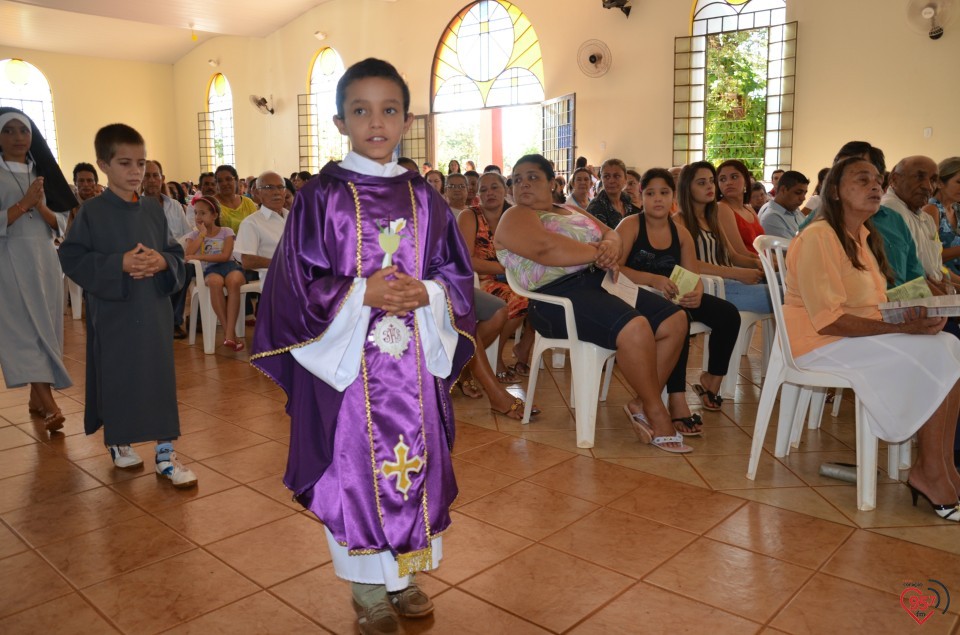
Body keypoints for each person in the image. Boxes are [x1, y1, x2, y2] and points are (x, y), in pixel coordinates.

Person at [250, 58, 475, 635]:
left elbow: (456, 274)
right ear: (341, 120)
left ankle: (406, 576)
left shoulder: (426, 198)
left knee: (413, 465)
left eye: (390, 109)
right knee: (354, 469)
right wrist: (359, 292)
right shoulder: (320, 196)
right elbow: (293, 282)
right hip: (349, 367)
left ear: (406, 119)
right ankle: (367, 587)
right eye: (361, 110)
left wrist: (426, 293)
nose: (377, 121)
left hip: (415, 359)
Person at [785, 156, 960, 521]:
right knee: (938, 353)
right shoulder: (819, 236)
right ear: (834, 191)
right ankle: (929, 472)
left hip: (855, 338)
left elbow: (872, 306)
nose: (875, 187)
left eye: (877, 180)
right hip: (820, 345)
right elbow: (829, 320)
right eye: (862, 180)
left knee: (949, 343)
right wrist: (901, 329)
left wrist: (913, 316)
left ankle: (942, 466)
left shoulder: (864, 236)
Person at [495, 154, 692, 454]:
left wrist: (611, 246)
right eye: (517, 179)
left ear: (552, 183)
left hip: (600, 283)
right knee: (635, 328)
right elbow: (544, 249)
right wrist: (599, 254)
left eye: (532, 177)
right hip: (557, 298)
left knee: (675, 320)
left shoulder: (569, 210)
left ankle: (640, 401)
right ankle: (656, 412)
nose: (523, 184)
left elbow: (610, 233)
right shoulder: (516, 216)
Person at [59, 123, 195, 487]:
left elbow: (174, 252)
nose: (136, 172)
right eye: (125, 163)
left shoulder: (153, 210)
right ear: (103, 164)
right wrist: (117, 264)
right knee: (119, 375)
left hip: (152, 308)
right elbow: (72, 258)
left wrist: (163, 262)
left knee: (159, 377)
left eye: (141, 163)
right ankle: (119, 440)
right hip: (114, 310)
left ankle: (165, 453)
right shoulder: (91, 212)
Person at [617, 168, 741, 430]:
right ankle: (676, 398)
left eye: (664, 193)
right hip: (635, 300)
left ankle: (711, 381)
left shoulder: (681, 233)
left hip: (672, 297)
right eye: (650, 193)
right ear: (641, 196)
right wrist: (652, 279)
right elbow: (615, 269)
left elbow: (692, 273)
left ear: (673, 196)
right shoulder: (630, 226)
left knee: (728, 314)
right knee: (679, 319)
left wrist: (695, 291)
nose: (658, 199)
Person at [0, 107, 75, 430]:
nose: (18, 137)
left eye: (24, 130)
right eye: (10, 131)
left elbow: (59, 223)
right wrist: (23, 204)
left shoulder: (41, 173)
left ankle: (36, 398)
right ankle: (50, 404)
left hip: (44, 260)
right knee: (22, 332)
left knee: (46, 329)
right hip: (9, 260)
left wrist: (40, 205)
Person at [457, 171, 535, 382]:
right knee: (520, 301)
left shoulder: (514, 215)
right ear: (477, 195)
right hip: (481, 280)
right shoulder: (469, 216)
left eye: (495, 188)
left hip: (514, 278)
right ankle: (494, 360)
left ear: (505, 191)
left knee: (540, 300)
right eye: (484, 189)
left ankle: (517, 351)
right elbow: (466, 260)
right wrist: (502, 269)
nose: (489, 193)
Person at [674, 161, 771, 313]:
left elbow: (733, 256)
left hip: (729, 281)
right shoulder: (678, 221)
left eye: (712, 181)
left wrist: (762, 264)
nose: (709, 186)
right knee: (786, 295)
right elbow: (688, 264)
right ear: (687, 188)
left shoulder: (712, 218)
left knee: (791, 284)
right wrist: (739, 273)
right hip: (708, 287)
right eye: (701, 183)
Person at [883, 155, 960, 292]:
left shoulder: (925, 217)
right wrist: (943, 298)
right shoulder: (889, 211)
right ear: (894, 179)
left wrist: (950, 289)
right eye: (919, 177)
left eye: (932, 180)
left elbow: (937, 268)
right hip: (914, 302)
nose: (928, 186)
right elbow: (899, 278)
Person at [184, 196, 246, 351]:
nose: (198, 217)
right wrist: (202, 235)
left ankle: (229, 332)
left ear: (215, 215)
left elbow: (225, 256)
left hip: (229, 266)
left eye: (203, 213)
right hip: (210, 270)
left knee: (234, 281)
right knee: (215, 283)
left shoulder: (226, 232)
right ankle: (229, 333)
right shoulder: (194, 235)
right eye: (196, 213)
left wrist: (199, 256)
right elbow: (187, 254)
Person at [235, 171, 288, 284]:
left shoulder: (294, 217)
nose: (276, 192)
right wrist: (282, 264)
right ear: (258, 193)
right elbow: (247, 260)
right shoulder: (251, 223)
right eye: (269, 188)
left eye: (280, 187)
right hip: (276, 280)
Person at [716, 159, 764, 260]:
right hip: (747, 267)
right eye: (722, 179)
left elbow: (764, 249)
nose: (728, 183)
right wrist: (775, 265)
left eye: (734, 177)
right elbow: (740, 252)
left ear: (746, 182)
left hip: (763, 262)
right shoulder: (722, 208)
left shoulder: (749, 209)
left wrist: (782, 262)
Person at [923, 157, 960, 276]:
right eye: (959, 182)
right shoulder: (931, 210)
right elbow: (930, 257)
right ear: (939, 183)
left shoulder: (956, 209)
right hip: (945, 282)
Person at [587, 158, 638, 228]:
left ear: (625, 179)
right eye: (606, 176)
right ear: (601, 179)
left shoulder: (627, 199)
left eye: (616, 176)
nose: (611, 181)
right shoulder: (595, 207)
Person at [758, 170, 809, 238]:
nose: (803, 198)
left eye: (805, 193)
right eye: (798, 192)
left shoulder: (796, 212)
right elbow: (795, 248)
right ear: (783, 190)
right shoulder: (772, 218)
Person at [214, 164, 258, 233]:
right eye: (220, 181)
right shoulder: (211, 204)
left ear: (237, 180)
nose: (224, 183)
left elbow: (257, 227)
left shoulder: (248, 203)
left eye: (228, 179)